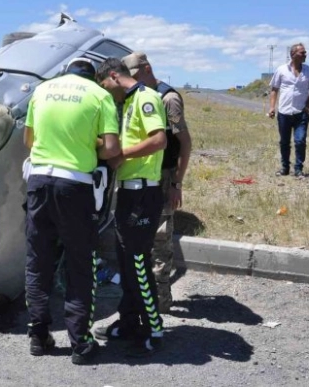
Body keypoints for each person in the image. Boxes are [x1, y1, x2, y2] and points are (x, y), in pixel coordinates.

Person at [23, 57, 120, 365]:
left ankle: (38, 336)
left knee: (38, 261)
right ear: (92, 77)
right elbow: (112, 149)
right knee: (80, 265)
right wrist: (89, 144)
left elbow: (29, 139)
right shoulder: (99, 95)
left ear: (66, 73)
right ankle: (80, 343)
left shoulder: (42, 90)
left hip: (38, 181)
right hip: (74, 186)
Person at [93, 58, 167, 357]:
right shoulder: (128, 103)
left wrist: (121, 154)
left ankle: (154, 327)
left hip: (142, 195)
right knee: (125, 263)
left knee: (137, 263)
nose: (106, 93)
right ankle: (128, 322)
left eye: (105, 87)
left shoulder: (147, 99)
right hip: (128, 194)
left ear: (113, 76)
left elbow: (158, 140)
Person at [121, 52, 192, 314]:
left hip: (163, 177)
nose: (134, 81)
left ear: (147, 69)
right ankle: (141, 298)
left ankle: (160, 303)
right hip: (139, 177)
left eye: (137, 76)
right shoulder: (137, 97)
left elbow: (185, 143)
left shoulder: (167, 98)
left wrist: (177, 183)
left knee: (160, 240)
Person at [268, 43, 309, 179]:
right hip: (284, 112)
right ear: (293, 55)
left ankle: (299, 169)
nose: (305, 55)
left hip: (300, 112)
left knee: (300, 140)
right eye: (302, 53)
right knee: (284, 141)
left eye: (305, 52)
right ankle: (285, 168)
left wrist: (307, 107)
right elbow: (274, 89)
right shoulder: (281, 70)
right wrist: (272, 107)